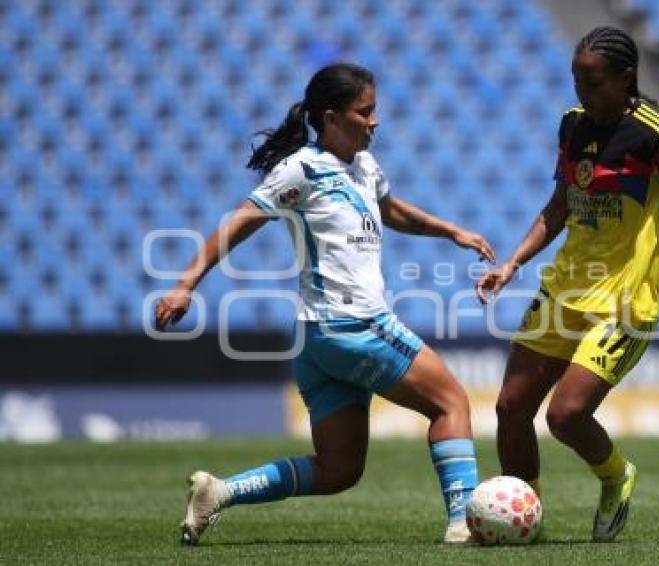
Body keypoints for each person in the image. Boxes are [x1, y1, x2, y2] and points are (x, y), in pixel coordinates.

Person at [155, 63, 496, 545]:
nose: (375, 121)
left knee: (339, 469)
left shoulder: (364, 165)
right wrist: (185, 283)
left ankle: (218, 492)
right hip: (352, 323)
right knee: (451, 402)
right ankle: (464, 524)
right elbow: (240, 221)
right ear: (331, 118)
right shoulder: (302, 169)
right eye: (364, 112)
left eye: (374, 110)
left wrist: (450, 231)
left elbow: (391, 210)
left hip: (317, 340)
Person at [476, 26, 659, 542]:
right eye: (576, 79)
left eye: (593, 81)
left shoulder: (656, 134)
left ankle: (616, 475)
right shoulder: (572, 125)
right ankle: (525, 521)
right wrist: (512, 262)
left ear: (626, 77)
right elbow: (559, 206)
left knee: (565, 416)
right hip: (565, 288)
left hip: (625, 302)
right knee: (510, 408)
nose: (582, 91)